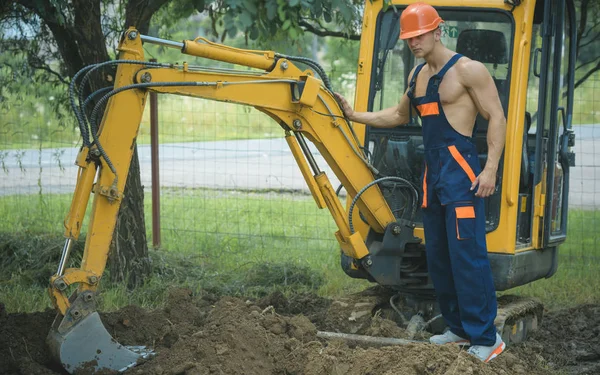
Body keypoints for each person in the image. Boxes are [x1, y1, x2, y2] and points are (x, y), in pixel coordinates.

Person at [334, 2, 507, 363]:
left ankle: (487, 338)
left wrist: (490, 169)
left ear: (437, 31)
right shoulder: (417, 76)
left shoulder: (467, 71)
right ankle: (459, 330)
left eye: (418, 35)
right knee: (440, 258)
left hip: (462, 178)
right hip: (434, 180)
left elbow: (496, 117)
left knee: (467, 257)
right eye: (408, 37)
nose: (413, 42)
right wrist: (353, 115)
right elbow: (397, 115)